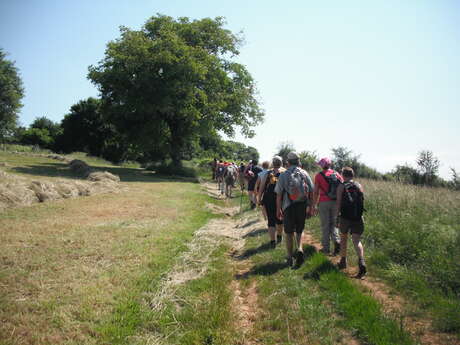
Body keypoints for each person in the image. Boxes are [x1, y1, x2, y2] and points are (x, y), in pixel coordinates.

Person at [275, 152, 314, 267]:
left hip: (288, 206)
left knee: (288, 233)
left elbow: (278, 194)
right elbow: (312, 190)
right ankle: (300, 249)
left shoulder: (283, 174)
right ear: (298, 161)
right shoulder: (304, 173)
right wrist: (311, 206)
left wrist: (278, 209)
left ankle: (289, 257)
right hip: (302, 205)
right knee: (299, 230)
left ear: (288, 162)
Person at [336, 167, 367, 278]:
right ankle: (362, 262)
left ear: (343, 175)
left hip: (345, 217)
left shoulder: (341, 186)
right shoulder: (359, 186)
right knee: (356, 241)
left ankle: (343, 261)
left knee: (343, 238)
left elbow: (338, 203)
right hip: (358, 217)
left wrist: (337, 217)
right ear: (352, 175)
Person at [312, 157, 343, 255]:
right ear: (330, 164)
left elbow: (316, 192)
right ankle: (337, 241)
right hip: (336, 202)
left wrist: (314, 205)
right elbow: (342, 187)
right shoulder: (337, 174)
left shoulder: (319, 176)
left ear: (321, 165)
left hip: (324, 202)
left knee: (325, 225)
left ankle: (326, 249)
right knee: (334, 224)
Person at [258, 156, 285, 248]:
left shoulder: (268, 173)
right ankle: (279, 237)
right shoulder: (285, 173)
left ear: (273, 164)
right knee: (280, 219)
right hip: (281, 199)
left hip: (268, 198)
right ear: (281, 163)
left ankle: (273, 242)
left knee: (271, 220)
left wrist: (259, 198)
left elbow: (262, 187)